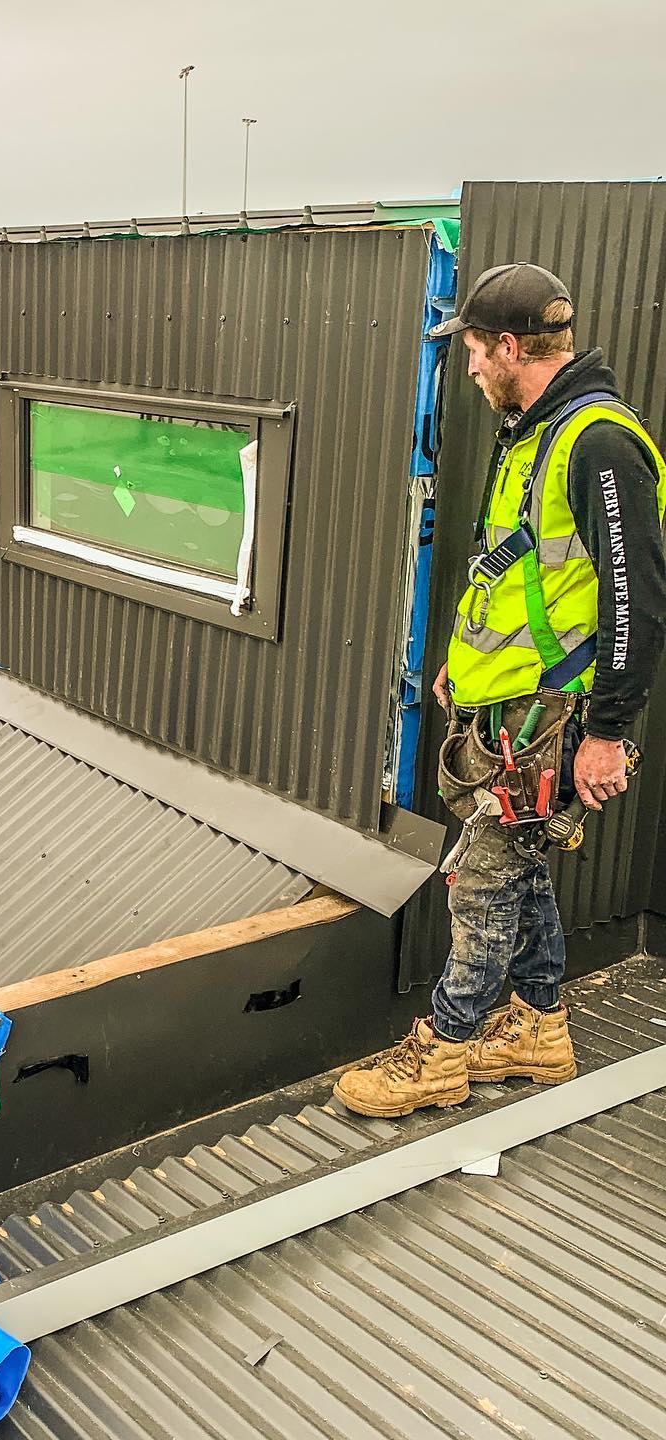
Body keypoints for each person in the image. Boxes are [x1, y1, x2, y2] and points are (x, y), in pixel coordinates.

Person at [335, 262, 666, 1118]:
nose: (470, 368)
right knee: (519, 872)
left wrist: (607, 731)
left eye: (475, 351)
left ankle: (443, 1051)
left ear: (512, 346)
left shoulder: (598, 442)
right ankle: (541, 1025)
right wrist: (458, 657)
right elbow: (512, 568)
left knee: (482, 880)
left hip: (554, 716)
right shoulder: (533, 432)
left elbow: (637, 601)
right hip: (510, 705)